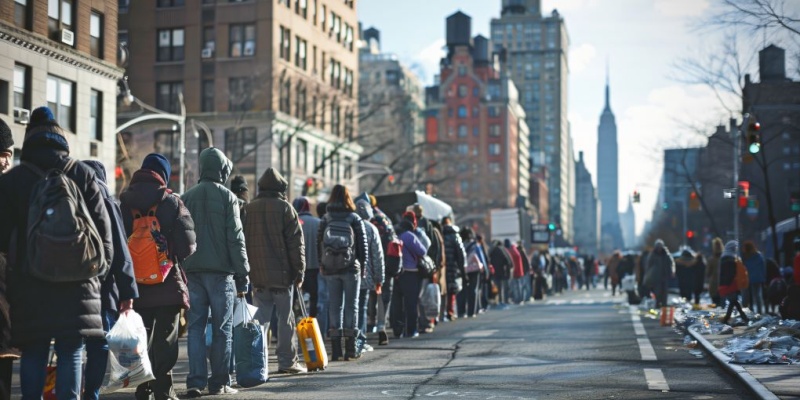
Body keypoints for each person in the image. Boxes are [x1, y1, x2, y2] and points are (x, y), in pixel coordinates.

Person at [0, 107, 113, 399]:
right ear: (60, 135)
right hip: (79, 284)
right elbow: (105, 237)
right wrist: (96, 274)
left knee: (34, 351)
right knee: (71, 352)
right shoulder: (83, 173)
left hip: (29, 283)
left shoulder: (13, 180)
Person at [120, 155, 196, 400]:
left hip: (135, 285)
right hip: (166, 284)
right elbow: (188, 243)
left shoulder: (123, 203)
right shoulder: (172, 202)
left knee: (140, 335)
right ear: (163, 174)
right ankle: (164, 389)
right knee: (166, 338)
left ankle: (143, 387)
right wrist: (171, 254)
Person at [181, 148, 250, 397]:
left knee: (196, 327)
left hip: (193, 272)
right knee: (223, 328)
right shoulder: (228, 198)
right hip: (221, 274)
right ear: (222, 170)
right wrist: (243, 274)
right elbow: (236, 239)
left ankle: (195, 381)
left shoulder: (186, 196)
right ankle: (219, 381)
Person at [82, 161, 140, 400]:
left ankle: (70, 391)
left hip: (67, 284)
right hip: (102, 288)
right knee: (99, 344)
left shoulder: (66, 196)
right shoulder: (106, 200)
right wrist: (128, 293)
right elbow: (120, 249)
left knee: (71, 346)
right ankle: (91, 393)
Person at [245, 168, 307, 374]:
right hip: (282, 276)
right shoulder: (286, 209)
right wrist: (299, 272)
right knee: (285, 319)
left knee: (260, 320)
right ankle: (286, 361)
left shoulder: (249, 209)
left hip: (258, 275)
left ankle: (258, 362)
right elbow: (296, 244)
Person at [318, 185, 368, 360]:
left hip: (331, 267)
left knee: (334, 305)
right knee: (351, 305)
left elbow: (319, 242)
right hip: (351, 267)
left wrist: (321, 263)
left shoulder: (326, 218)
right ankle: (351, 348)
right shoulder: (354, 218)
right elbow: (362, 244)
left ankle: (336, 350)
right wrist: (363, 265)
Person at [362, 194, 396, 345]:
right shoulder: (385, 218)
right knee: (383, 295)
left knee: (368, 295)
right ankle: (381, 324)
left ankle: (370, 322)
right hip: (387, 259)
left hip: (370, 261)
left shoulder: (366, 220)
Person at [390, 212, 428, 338]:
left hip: (395, 273)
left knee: (397, 303)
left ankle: (397, 330)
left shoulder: (393, 235)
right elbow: (422, 251)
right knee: (410, 303)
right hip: (410, 273)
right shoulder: (409, 236)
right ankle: (410, 330)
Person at [354, 199, 384, 353]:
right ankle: (360, 340)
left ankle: (349, 340)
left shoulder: (349, 224)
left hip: (349, 274)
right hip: (366, 275)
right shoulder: (371, 228)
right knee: (361, 308)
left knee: (348, 307)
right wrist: (380, 279)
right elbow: (377, 256)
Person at [293, 197, 321, 320]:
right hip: (314, 267)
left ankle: (296, 321)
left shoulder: (292, 222)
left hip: (295, 267)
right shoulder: (318, 222)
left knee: (293, 298)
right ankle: (312, 321)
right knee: (314, 296)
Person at [718, 240, 749, 325]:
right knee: (733, 301)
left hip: (727, 283)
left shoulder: (724, 257)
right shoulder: (731, 259)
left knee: (733, 301)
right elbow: (731, 273)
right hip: (730, 283)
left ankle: (741, 316)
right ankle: (739, 317)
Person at [442, 217, 465, 319]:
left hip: (442, 266)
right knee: (452, 289)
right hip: (453, 265)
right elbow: (461, 254)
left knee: (443, 289)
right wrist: (462, 267)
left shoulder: (440, 234)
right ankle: (450, 311)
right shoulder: (455, 236)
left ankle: (441, 313)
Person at [458, 228, 483, 318]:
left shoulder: (459, 243)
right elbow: (475, 255)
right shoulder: (474, 244)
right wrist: (480, 265)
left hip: (463, 270)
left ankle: (461, 311)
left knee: (462, 290)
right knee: (473, 290)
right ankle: (471, 311)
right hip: (474, 269)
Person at [644, 240, 674, 308]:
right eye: (658, 247)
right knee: (657, 292)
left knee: (664, 293)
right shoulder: (652, 255)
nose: (659, 248)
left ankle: (664, 306)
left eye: (660, 247)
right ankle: (657, 305)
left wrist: (672, 271)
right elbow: (648, 266)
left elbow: (671, 263)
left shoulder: (666, 254)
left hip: (665, 276)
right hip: (655, 277)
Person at [741, 241, 766, 315]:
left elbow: (744, 268)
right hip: (758, 278)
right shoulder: (759, 255)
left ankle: (750, 311)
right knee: (757, 296)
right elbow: (763, 267)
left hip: (748, 279)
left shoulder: (745, 257)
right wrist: (764, 277)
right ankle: (759, 311)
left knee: (749, 296)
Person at [706, 238, 724, 305]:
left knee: (715, 305)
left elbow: (708, 273)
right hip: (724, 285)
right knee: (723, 305)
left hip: (714, 285)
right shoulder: (724, 258)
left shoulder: (711, 259)